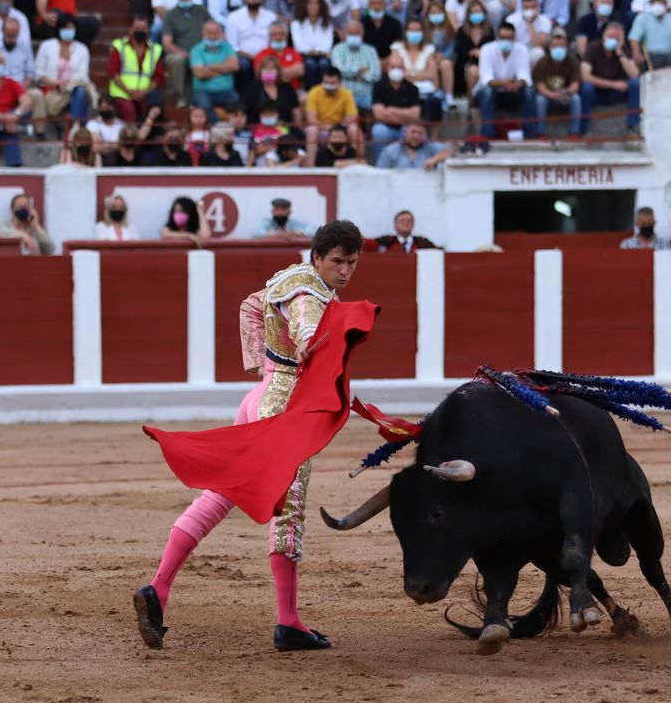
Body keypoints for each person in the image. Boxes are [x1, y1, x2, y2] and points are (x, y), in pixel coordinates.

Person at [134, 220, 368, 653]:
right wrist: (302, 344)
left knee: (220, 493)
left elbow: (250, 305)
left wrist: (258, 362)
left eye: (351, 263)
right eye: (337, 261)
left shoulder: (287, 277)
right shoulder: (308, 292)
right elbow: (303, 323)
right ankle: (289, 623)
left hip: (260, 396)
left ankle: (158, 589)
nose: (344, 272)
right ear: (317, 257)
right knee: (289, 508)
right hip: (282, 411)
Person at [579, 19, 640, 133]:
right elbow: (585, 76)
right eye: (610, 36)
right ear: (603, 36)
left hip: (616, 93)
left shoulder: (623, 50)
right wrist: (612, 84)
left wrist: (620, 53)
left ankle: (633, 125)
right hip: (597, 92)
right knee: (586, 87)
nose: (612, 40)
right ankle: (583, 129)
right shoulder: (593, 47)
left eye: (617, 38)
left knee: (635, 84)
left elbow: (634, 74)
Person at [474, 20, 532, 137]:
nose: (505, 41)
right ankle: (488, 135)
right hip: (491, 92)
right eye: (503, 37)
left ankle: (529, 134)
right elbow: (486, 79)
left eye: (509, 38)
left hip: (512, 91)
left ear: (514, 38)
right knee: (487, 92)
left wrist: (517, 84)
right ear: (497, 37)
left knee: (528, 91)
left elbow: (525, 77)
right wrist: (503, 83)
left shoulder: (522, 49)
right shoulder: (486, 49)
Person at [35, 20, 95, 131]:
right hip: (52, 90)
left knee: (80, 90)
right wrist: (55, 83)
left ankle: (76, 128)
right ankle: (79, 129)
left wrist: (68, 85)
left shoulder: (82, 49)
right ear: (59, 30)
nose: (68, 31)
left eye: (70, 28)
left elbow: (83, 75)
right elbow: (38, 73)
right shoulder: (47, 46)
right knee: (79, 93)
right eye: (65, 28)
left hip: (73, 89)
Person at [106, 16, 163, 122]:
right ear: (130, 30)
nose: (140, 31)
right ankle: (131, 137)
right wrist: (129, 92)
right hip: (121, 92)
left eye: (143, 29)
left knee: (154, 108)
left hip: (145, 94)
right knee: (129, 110)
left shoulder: (155, 49)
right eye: (137, 28)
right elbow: (113, 72)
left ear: (148, 31)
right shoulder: (119, 46)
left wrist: (145, 92)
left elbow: (158, 77)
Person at [530, 28, 580, 137]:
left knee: (576, 99)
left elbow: (575, 85)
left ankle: (574, 132)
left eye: (561, 47)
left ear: (566, 48)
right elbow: (541, 87)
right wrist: (553, 94)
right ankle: (541, 132)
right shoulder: (542, 62)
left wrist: (565, 91)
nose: (558, 49)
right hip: (547, 95)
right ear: (549, 48)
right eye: (555, 46)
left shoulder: (572, 61)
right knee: (539, 100)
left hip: (565, 94)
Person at [332, 14, 381, 110]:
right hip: (344, 95)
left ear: (362, 35)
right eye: (350, 34)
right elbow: (339, 71)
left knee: (378, 107)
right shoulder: (337, 49)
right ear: (345, 34)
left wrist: (351, 74)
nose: (353, 36)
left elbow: (376, 75)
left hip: (366, 95)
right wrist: (359, 71)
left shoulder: (370, 50)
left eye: (356, 34)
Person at [369, 59, 420, 150]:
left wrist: (392, 110)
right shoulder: (378, 86)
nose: (396, 70)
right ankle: (380, 163)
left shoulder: (413, 88)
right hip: (385, 126)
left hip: (405, 127)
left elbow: (415, 115)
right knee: (378, 131)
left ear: (404, 70)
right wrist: (405, 115)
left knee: (413, 131)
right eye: (393, 67)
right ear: (387, 68)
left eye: (399, 67)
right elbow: (379, 115)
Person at [627, 0, 671, 70]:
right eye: (655, 2)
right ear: (651, 4)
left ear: (666, 4)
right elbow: (634, 38)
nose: (658, 5)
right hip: (650, 56)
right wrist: (637, 55)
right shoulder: (642, 18)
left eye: (660, 2)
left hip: (668, 56)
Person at [376, 121, 450, 169]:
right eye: (413, 132)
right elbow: (380, 173)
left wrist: (434, 159)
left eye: (420, 133)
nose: (416, 136)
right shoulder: (390, 150)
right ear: (405, 132)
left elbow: (450, 151)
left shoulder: (430, 147)